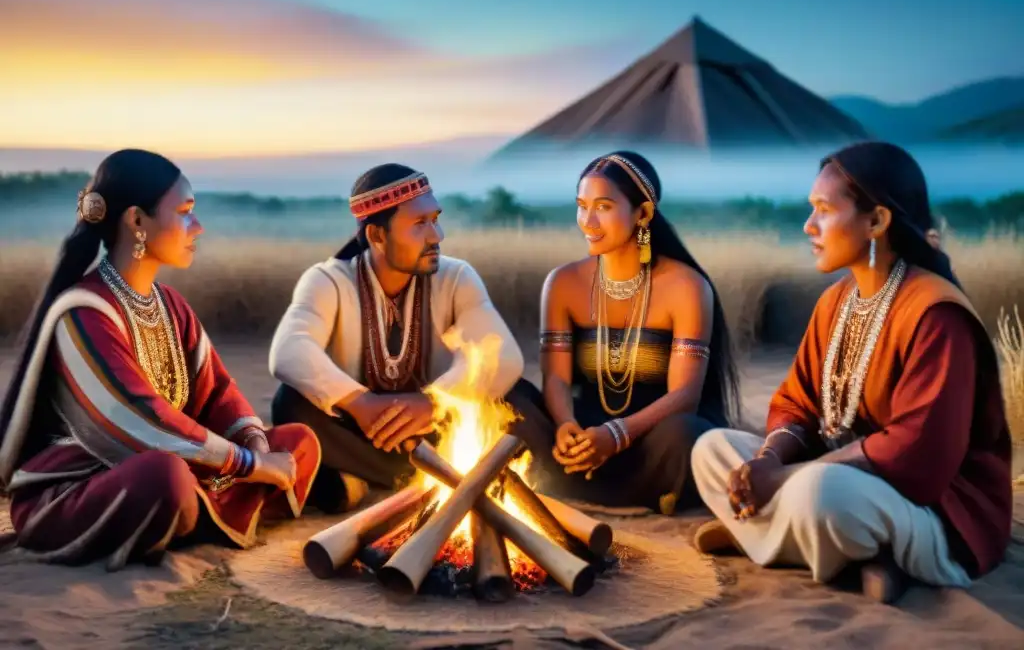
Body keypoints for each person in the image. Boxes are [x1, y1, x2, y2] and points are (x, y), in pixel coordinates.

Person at [690, 140, 1012, 604]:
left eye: (823, 209)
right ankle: (814, 543)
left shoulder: (937, 314)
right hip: (834, 476)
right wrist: (769, 461)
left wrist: (783, 480)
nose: (809, 226)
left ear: (877, 221)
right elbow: (797, 403)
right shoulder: (835, 302)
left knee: (820, 492)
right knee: (712, 448)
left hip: (931, 509)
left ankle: (773, 536)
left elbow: (920, 454)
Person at [0, 150, 320, 570]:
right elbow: (137, 420)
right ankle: (199, 514)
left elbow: (218, 393)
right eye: (185, 212)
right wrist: (253, 465)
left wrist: (255, 444)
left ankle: (194, 516)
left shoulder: (170, 304)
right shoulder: (84, 312)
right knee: (165, 479)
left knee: (298, 442)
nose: (198, 226)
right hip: (88, 485)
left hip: (184, 464)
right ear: (136, 221)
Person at [268, 163, 530, 512]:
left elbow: (503, 354)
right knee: (291, 404)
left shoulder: (457, 277)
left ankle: (368, 480)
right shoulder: (328, 280)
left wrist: (434, 402)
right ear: (377, 236)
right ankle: (444, 480)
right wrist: (359, 403)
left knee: (520, 398)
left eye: (435, 219)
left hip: (439, 430)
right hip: (365, 430)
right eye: (420, 224)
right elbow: (289, 350)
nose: (436, 234)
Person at [519, 151, 740, 514]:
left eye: (603, 207)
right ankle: (561, 476)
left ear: (643, 213)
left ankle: (654, 493)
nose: (588, 221)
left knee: (687, 434)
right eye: (581, 205)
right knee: (512, 398)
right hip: (583, 438)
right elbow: (555, 378)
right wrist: (565, 426)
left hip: (651, 446)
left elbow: (685, 395)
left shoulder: (685, 285)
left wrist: (617, 436)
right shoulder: (562, 283)